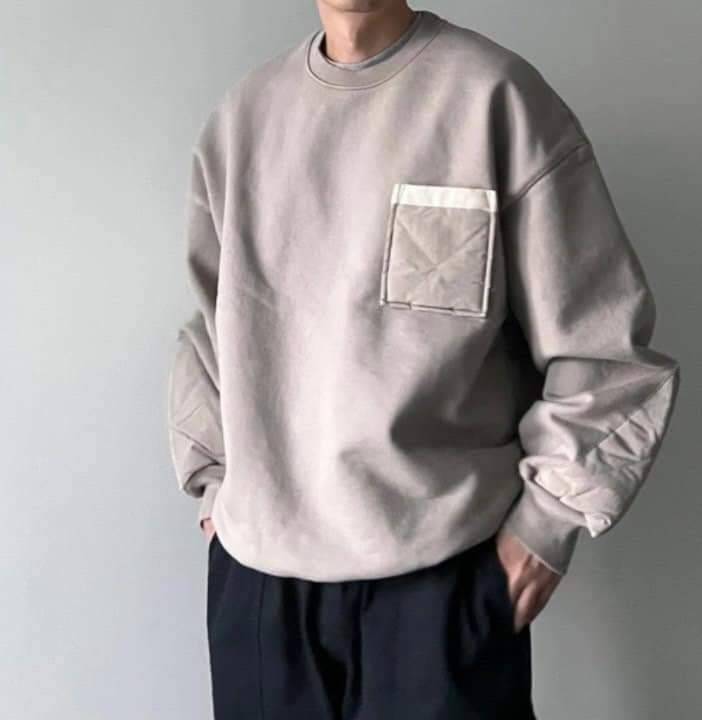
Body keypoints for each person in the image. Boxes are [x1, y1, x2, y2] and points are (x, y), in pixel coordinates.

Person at [166, 2, 681, 718]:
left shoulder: (495, 97)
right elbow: (212, 328)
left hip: (440, 590)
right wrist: (215, 490)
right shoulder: (242, 119)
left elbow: (605, 348)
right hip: (260, 588)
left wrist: (544, 529)